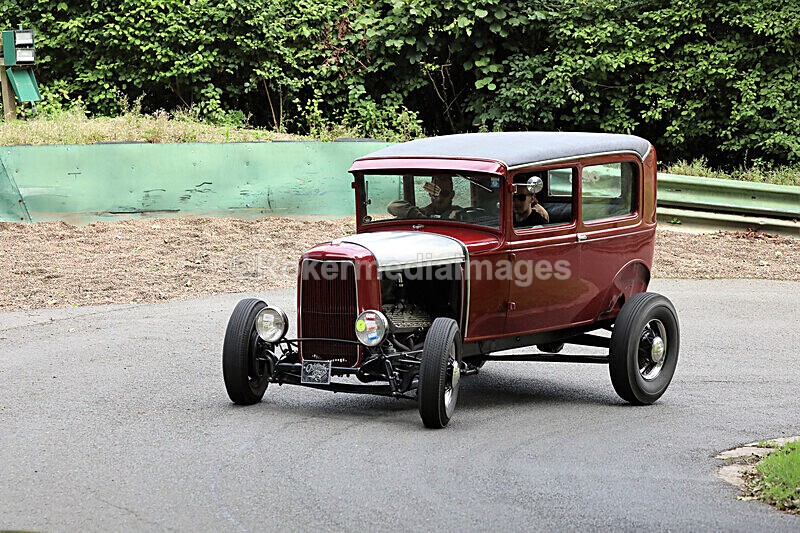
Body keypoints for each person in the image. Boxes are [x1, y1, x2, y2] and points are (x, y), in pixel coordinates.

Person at [387, 176, 462, 219]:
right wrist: (420, 217)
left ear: (452, 195)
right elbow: (392, 206)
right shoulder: (422, 212)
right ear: (430, 194)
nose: (439, 198)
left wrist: (459, 217)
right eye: (434, 193)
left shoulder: (462, 214)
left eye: (444, 194)